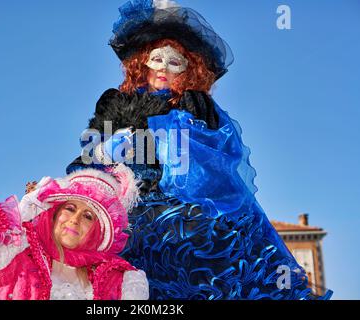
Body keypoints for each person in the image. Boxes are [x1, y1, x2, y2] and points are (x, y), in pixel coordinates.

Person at [66, 0, 332, 299]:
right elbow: (85, 168)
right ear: (143, 63)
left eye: (175, 61)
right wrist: (103, 155)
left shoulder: (196, 107)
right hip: (122, 216)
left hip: (182, 217)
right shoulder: (115, 105)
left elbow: (210, 168)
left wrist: (164, 144)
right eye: (157, 59)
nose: (164, 67)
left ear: (189, 70)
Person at [0, 164, 149, 300]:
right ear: (54, 213)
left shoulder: (121, 281)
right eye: (70, 208)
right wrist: (18, 213)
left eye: (88, 216)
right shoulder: (17, 255)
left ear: (97, 231)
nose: (75, 219)